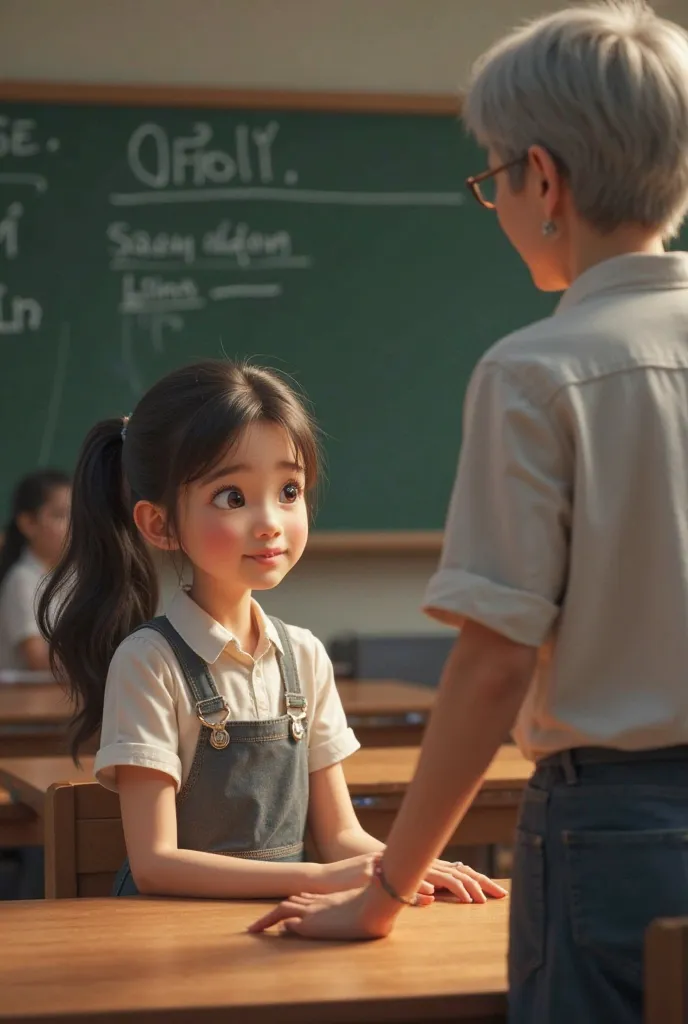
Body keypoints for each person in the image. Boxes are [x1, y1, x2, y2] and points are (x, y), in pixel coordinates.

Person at [248, 4, 688, 1022]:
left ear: (545, 179)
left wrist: (385, 887)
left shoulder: (538, 372)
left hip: (619, 833)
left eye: (491, 177)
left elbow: (493, 660)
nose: (495, 201)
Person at [39, 360, 506, 902]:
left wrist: (408, 865)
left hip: (286, 918)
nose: (270, 522)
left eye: (289, 490)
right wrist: (320, 878)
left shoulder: (304, 654)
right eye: (232, 497)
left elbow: (338, 836)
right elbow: (156, 865)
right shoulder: (149, 661)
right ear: (159, 524)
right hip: (167, 937)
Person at [0, 469, 71, 673]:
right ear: (28, 523)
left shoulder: (71, 576)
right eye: (60, 516)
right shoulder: (22, 580)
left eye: (77, 515)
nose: (73, 525)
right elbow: (39, 660)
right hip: (24, 702)